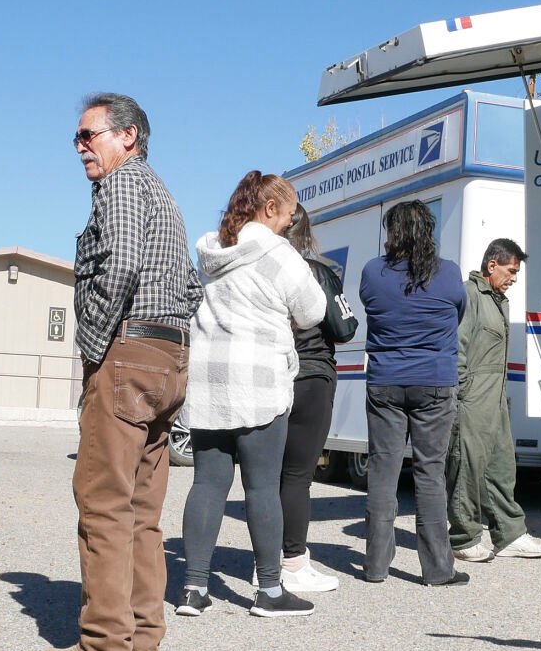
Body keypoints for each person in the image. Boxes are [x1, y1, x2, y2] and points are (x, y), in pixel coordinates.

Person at [36, 93, 200, 651]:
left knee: (103, 502)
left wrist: (94, 346)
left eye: (89, 135)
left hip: (128, 351)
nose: (80, 147)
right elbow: (191, 286)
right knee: (142, 510)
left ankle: (105, 647)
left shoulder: (124, 185)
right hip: (167, 354)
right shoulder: (165, 194)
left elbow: (122, 262)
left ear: (127, 136)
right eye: (77, 138)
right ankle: (141, 640)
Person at [178, 173, 326, 618]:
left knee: (207, 483)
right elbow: (314, 309)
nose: (290, 221)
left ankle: (194, 589)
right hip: (258, 380)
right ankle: (269, 591)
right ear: (269, 209)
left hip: (210, 380)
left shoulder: (212, 251)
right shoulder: (277, 254)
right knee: (262, 487)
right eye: (289, 212)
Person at [357, 200, 468, 586]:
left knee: (383, 472)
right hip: (435, 381)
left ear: (393, 233)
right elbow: (457, 315)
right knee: (430, 473)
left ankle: (375, 566)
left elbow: (371, 308)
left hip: (385, 381)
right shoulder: (450, 273)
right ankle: (438, 569)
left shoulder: (372, 272)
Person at [449, 238, 541, 564]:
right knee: (467, 468)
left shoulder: (498, 300)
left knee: (503, 467)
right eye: (511, 270)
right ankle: (464, 539)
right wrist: (464, 392)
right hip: (473, 399)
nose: (514, 278)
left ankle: (510, 535)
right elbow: (457, 346)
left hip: (496, 398)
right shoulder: (469, 294)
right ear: (492, 265)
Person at [276, 205, 357, 593]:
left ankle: (267, 562)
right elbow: (344, 327)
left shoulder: (255, 268)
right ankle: (293, 562)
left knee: (266, 476)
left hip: (269, 376)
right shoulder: (318, 272)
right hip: (311, 375)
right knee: (297, 476)